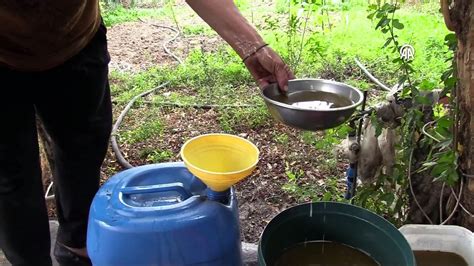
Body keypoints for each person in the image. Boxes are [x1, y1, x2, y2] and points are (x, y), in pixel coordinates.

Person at [0, 0, 294, 265]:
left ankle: (77, 246)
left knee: (82, 156)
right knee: (10, 181)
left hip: (75, 44)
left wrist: (253, 47)